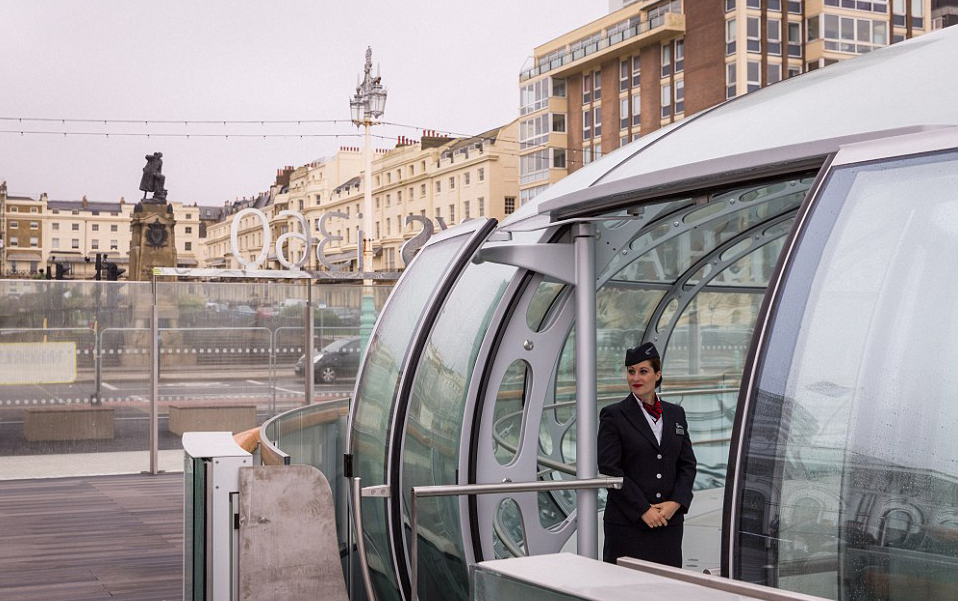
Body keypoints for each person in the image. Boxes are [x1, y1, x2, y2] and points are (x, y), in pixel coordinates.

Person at [598, 341, 696, 567]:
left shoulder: (676, 414)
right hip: (627, 523)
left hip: (667, 523)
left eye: (643, 371)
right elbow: (610, 469)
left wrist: (676, 503)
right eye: (631, 372)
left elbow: (687, 464)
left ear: (657, 374)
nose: (635, 378)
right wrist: (642, 509)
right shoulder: (613, 415)